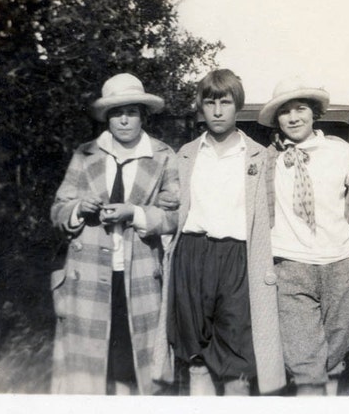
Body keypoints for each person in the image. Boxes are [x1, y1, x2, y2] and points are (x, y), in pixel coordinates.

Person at [50, 73, 179, 394]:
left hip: (140, 280)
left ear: (143, 115)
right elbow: (58, 211)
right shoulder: (85, 155)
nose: (123, 120)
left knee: (134, 368)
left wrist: (134, 213)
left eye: (131, 112)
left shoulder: (163, 157)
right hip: (90, 278)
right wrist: (81, 207)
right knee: (91, 371)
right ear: (107, 117)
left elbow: (176, 216)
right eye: (116, 113)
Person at [166, 69, 285, 396]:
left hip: (237, 261)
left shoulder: (258, 156)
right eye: (210, 103)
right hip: (191, 258)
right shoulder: (186, 155)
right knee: (197, 362)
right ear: (200, 107)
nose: (217, 111)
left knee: (237, 368)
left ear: (238, 106)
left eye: (225, 102)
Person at [258, 77, 349, 396]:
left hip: (341, 266)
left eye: (300, 108)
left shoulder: (341, 151)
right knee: (306, 369)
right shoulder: (266, 159)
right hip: (291, 268)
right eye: (285, 111)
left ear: (314, 112)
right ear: (276, 120)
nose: (293, 117)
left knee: (334, 363)